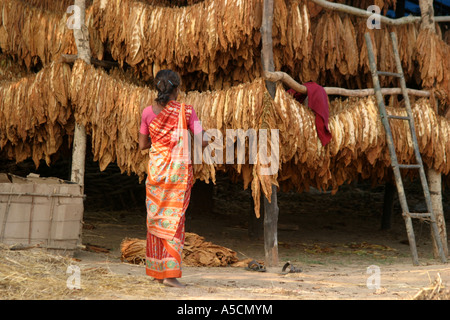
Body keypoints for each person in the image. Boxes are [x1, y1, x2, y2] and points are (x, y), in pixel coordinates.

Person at [138, 69, 205, 288]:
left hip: (156, 173)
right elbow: (202, 140)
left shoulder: (147, 112)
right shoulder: (186, 112)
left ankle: (158, 273)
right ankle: (170, 276)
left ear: (157, 87)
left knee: (157, 220)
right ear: (177, 88)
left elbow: (142, 146)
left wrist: (159, 142)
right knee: (174, 221)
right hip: (177, 176)